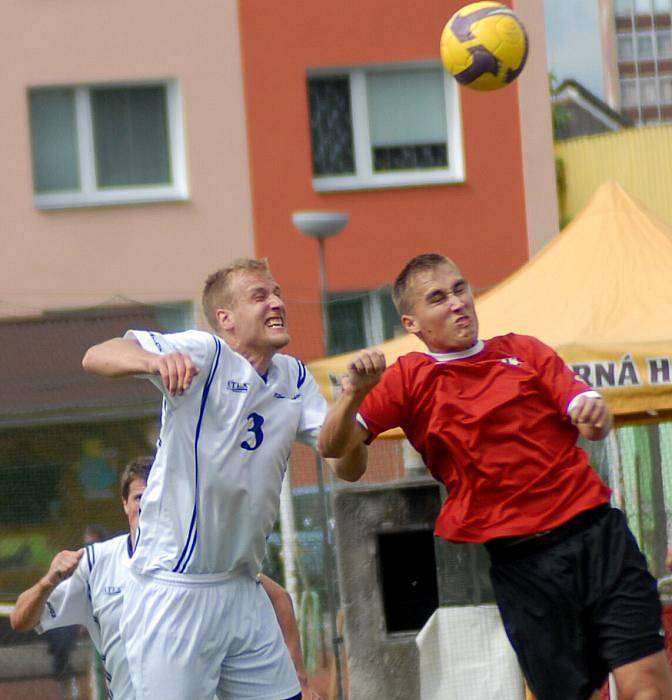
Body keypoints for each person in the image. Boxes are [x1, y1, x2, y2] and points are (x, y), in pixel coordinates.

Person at [318, 252, 672, 700]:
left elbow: (589, 418)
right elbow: (332, 447)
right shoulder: (409, 377)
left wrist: (594, 414)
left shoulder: (523, 350)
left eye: (461, 288)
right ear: (413, 322)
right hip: (524, 564)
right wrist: (352, 394)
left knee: (649, 689)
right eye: (438, 297)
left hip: (598, 535)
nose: (457, 303)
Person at [80, 259, 347, 700]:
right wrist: (153, 360)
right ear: (226, 318)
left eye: (277, 292)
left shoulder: (295, 377)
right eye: (260, 296)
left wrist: (354, 399)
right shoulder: (206, 352)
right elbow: (97, 355)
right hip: (175, 591)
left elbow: (345, 463)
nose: (277, 302)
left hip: (244, 586)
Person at [10, 456, 321, 700]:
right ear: (124, 504)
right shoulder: (94, 564)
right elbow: (20, 620)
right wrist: (48, 581)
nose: (146, 506)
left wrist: (300, 682)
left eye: (156, 496)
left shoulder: (201, 558)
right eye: (138, 498)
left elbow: (278, 597)